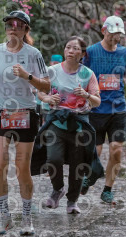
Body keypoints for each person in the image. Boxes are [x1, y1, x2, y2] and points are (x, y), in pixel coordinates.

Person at [0, 10, 49, 236]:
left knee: (22, 169)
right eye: (10, 24)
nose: (13, 27)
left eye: (19, 25)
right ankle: (5, 216)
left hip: (24, 113)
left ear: (26, 29)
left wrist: (27, 76)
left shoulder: (34, 54)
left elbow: (46, 86)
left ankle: (27, 218)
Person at [37, 36, 101, 214]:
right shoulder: (52, 71)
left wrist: (86, 95)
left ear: (83, 54)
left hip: (79, 125)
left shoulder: (88, 74)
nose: (71, 51)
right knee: (53, 159)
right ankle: (57, 189)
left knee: (77, 164)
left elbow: (97, 101)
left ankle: (72, 201)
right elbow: (40, 92)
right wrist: (48, 98)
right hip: (56, 121)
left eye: (75, 48)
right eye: (68, 47)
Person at [82, 16, 126, 204]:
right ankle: (89, 176)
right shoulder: (91, 52)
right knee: (96, 151)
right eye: (113, 33)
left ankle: (107, 190)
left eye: (119, 34)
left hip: (118, 108)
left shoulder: (124, 53)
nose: (116, 37)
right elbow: (82, 75)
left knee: (116, 150)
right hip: (96, 109)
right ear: (104, 31)